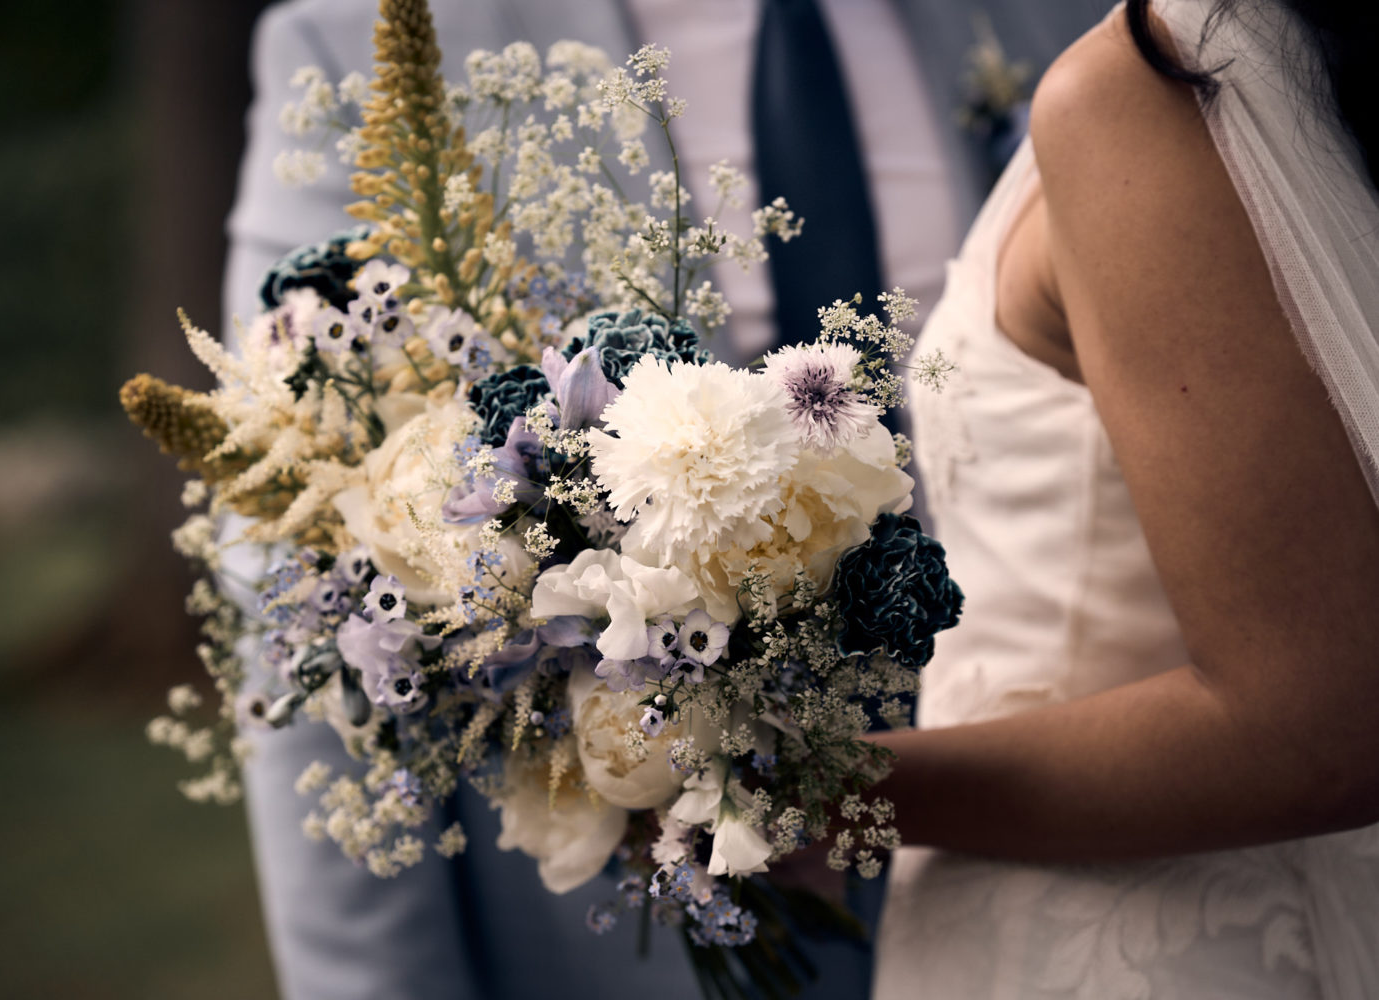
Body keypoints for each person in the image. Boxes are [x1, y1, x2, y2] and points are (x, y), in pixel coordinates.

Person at [221, 1, 1102, 997]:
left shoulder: (1064, 20)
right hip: (638, 942)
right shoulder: (349, 46)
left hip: (1060, 866)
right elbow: (295, 586)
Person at [868, 0, 1379, 995]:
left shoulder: (1146, 91)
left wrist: (831, 793)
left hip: (1129, 937)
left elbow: (1319, 728)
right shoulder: (1306, 55)